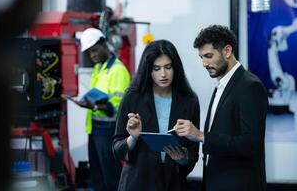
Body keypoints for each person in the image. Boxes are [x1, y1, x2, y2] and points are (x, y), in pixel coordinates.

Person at [174, 25, 268, 191]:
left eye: (209, 56)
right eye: (201, 57)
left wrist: (201, 135)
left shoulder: (250, 86)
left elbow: (251, 144)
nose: (204, 63)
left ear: (227, 51)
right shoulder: (221, 86)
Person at [113, 39, 200, 191]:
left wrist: (183, 158)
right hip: (137, 183)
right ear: (148, 70)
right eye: (156, 68)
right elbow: (117, 150)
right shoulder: (133, 97)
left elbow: (193, 153)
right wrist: (133, 137)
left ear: (176, 68)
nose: (163, 74)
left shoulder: (189, 101)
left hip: (173, 183)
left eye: (168, 67)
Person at [79, 28, 130, 191]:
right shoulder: (99, 69)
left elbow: (117, 109)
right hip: (94, 129)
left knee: (111, 177)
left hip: (108, 131)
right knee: (97, 176)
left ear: (104, 44)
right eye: (89, 53)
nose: (92, 56)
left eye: (94, 51)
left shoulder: (118, 71)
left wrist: (93, 106)